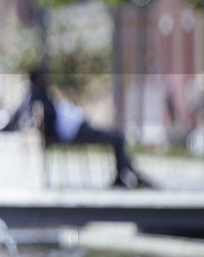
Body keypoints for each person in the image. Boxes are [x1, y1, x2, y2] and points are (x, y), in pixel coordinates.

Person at [10, 68, 155, 189]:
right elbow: (39, 118)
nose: (48, 79)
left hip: (73, 128)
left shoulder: (37, 95)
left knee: (117, 136)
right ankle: (127, 173)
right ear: (38, 78)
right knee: (117, 137)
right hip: (72, 132)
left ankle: (126, 172)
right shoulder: (37, 95)